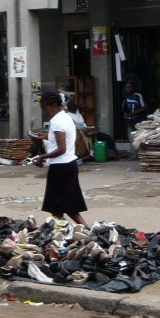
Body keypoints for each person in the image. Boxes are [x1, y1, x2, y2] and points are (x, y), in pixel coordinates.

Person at [33, 92, 89, 227]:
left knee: (68, 208)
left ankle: (89, 233)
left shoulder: (58, 122)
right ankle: (64, 232)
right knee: (58, 208)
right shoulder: (66, 117)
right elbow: (66, 139)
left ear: (53, 106)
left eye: (45, 109)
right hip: (68, 165)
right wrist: (47, 136)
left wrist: (41, 157)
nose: (45, 112)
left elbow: (61, 149)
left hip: (61, 168)